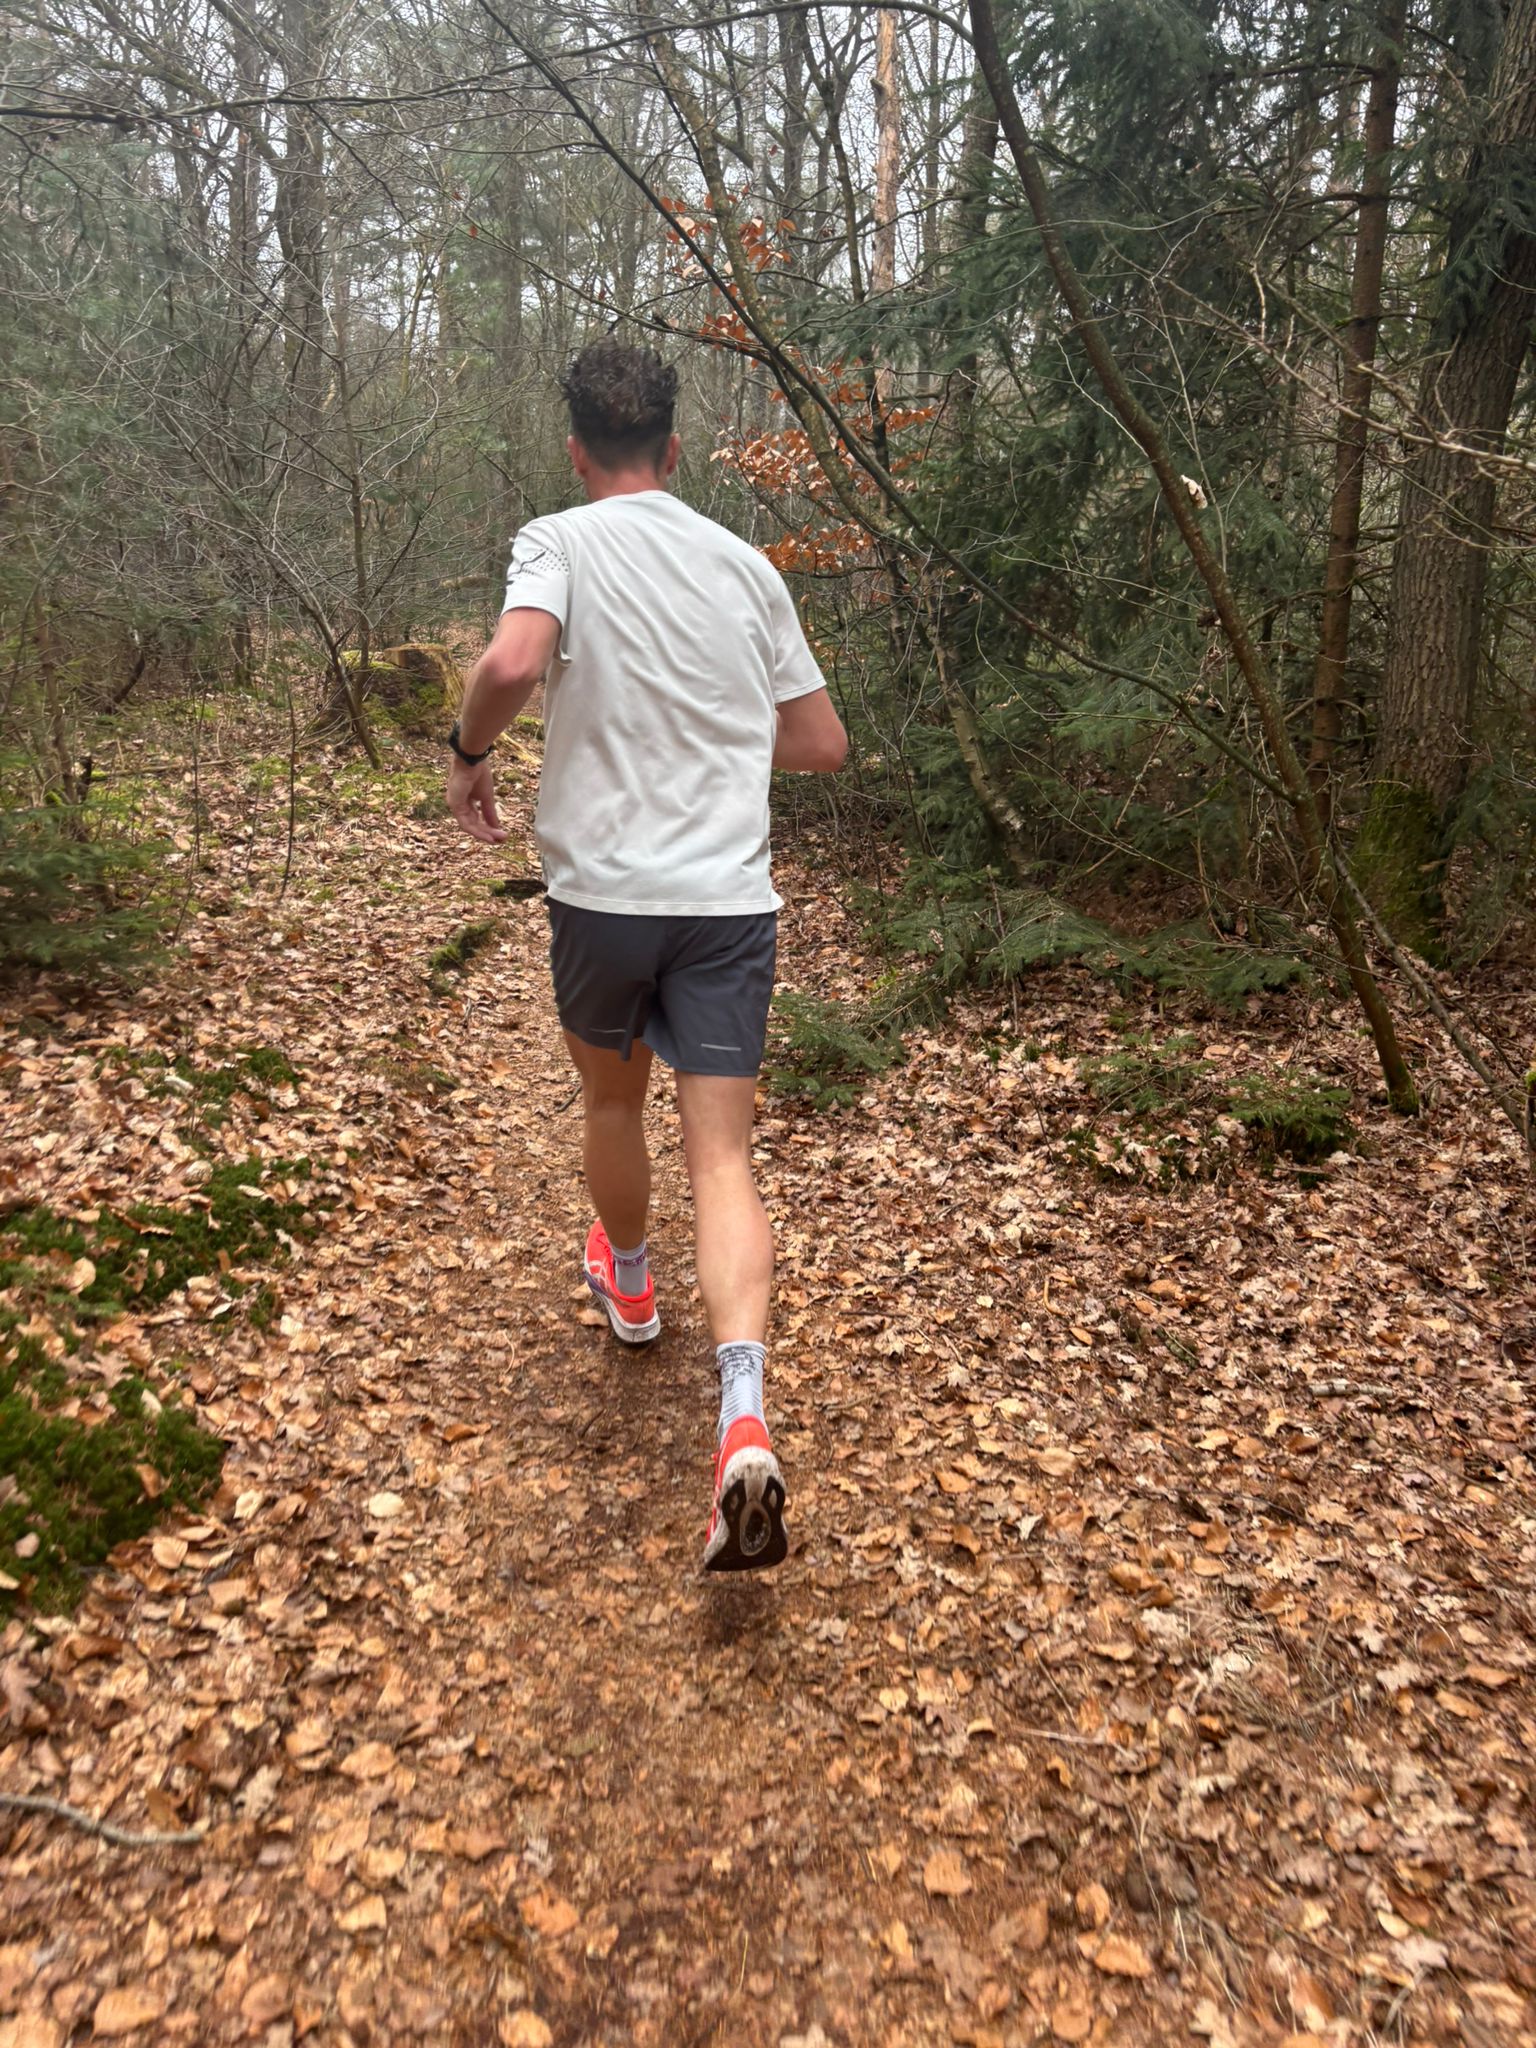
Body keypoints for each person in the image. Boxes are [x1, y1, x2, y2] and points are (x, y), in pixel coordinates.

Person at [446, 338, 847, 1572]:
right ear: (674, 449)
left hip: (605, 896)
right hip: (728, 899)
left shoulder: (558, 538)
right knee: (721, 1153)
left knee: (611, 1100)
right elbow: (821, 743)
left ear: (577, 450)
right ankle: (740, 1414)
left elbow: (514, 661)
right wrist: (716, 738)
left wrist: (468, 751)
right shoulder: (744, 566)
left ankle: (628, 1283)